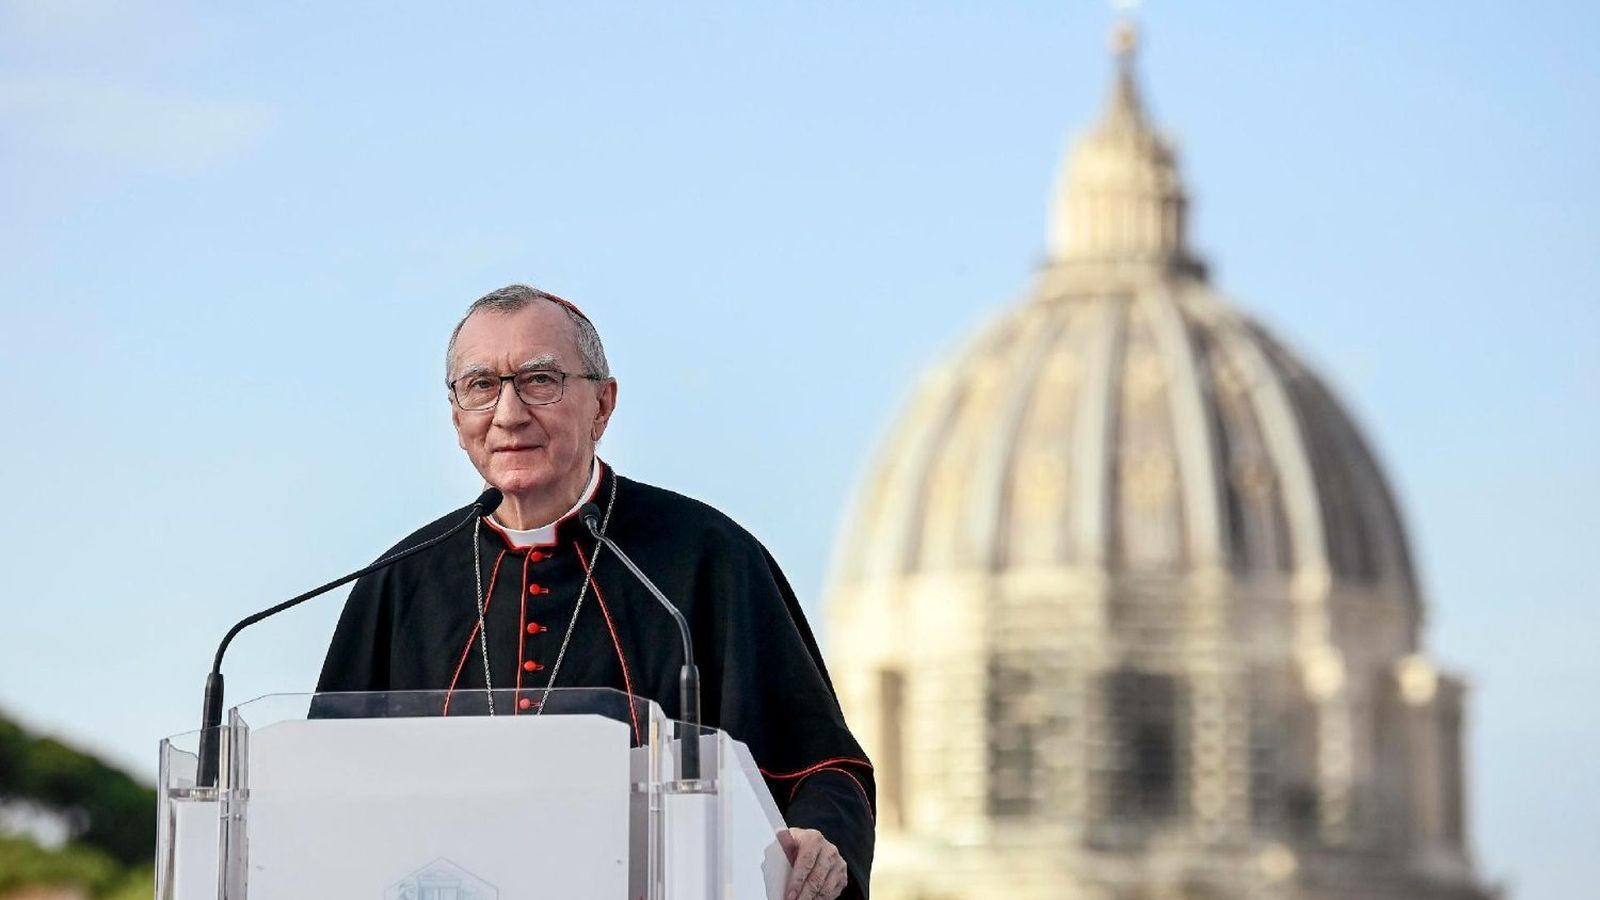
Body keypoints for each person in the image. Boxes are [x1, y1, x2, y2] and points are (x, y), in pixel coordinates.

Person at [317, 284, 874, 900]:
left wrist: (822, 839)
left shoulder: (707, 557)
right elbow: (319, 796)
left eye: (539, 380)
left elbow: (823, 769)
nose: (508, 413)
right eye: (481, 387)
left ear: (602, 405)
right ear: (456, 418)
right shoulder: (397, 583)